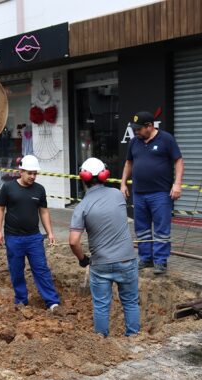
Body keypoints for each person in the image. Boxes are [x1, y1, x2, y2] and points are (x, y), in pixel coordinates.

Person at [70, 158, 139, 337]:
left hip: (100, 263)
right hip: (126, 259)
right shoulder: (118, 194)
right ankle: (133, 337)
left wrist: (83, 260)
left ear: (82, 178)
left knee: (101, 305)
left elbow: (73, 241)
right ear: (105, 175)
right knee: (130, 302)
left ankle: (101, 341)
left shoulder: (81, 207)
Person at [119, 111, 184, 275]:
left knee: (162, 228)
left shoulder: (166, 139)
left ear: (149, 126)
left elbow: (178, 161)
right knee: (142, 228)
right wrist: (123, 183)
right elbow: (128, 163)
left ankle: (161, 261)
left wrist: (177, 184)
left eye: (139, 129)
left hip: (160, 193)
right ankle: (145, 258)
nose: (136, 132)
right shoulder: (134, 142)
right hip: (139, 193)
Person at [0, 154, 61, 312]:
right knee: (16, 270)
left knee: (41, 269)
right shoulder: (8, 188)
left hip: (34, 238)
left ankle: (52, 302)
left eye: (35, 173)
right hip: (13, 237)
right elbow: (0, 208)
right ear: (21, 171)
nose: (33, 176)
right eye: (30, 173)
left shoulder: (39, 189)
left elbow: (43, 212)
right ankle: (21, 301)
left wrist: (50, 232)